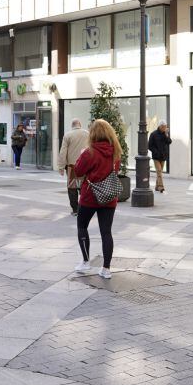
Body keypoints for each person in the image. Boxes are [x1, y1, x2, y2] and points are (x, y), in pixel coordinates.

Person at [73, 120, 121, 280]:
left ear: (93, 134)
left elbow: (78, 171)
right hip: (109, 196)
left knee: (82, 226)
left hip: (89, 196)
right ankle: (106, 269)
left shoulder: (89, 152)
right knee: (106, 232)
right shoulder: (116, 151)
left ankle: (86, 262)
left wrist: (81, 155)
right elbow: (116, 169)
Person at [58, 118, 90, 215]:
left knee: (72, 187)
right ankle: (85, 208)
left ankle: (75, 209)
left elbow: (63, 152)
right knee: (84, 186)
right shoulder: (87, 134)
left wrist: (61, 167)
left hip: (72, 166)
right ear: (79, 124)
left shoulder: (68, 135)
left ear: (72, 125)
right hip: (85, 165)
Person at [148, 122, 171, 193]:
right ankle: (161, 187)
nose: (164, 128)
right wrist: (156, 152)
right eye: (163, 127)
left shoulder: (165, 134)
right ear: (160, 126)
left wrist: (166, 135)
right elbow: (149, 146)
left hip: (163, 156)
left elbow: (169, 142)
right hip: (156, 157)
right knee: (159, 171)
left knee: (159, 172)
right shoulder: (153, 134)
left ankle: (157, 186)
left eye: (165, 127)